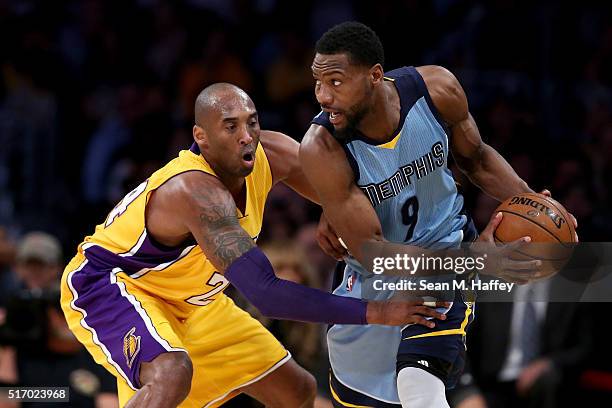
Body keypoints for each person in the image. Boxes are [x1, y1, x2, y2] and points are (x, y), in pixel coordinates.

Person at [60, 83, 449, 408]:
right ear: (201, 137)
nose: (246, 136)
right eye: (230, 127)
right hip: (112, 286)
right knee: (170, 375)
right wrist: (378, 312)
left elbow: (347, 188)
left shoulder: (272, 152)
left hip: (191, 299)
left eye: (252, 122)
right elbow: (267, 294)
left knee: (296, 390)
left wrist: (333, 206)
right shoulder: (196, 193)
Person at [299, 22, 577, 408]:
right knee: (359, 397)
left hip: (449, 250)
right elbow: (377, 255)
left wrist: (536, 204)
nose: (323, 96)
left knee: (418, 383)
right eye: (317, 82)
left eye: (335, 82)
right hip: (376, 278)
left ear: (375, 76)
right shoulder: (321, 147)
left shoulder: (435, 90)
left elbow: (477, 158)